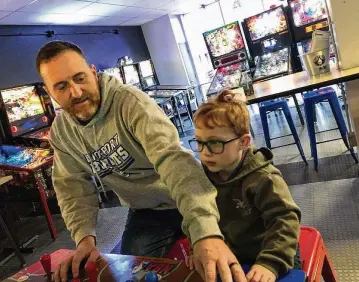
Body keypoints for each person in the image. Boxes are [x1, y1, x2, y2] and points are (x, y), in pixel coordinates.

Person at [35, 41, 247, 282]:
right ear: (49, 92)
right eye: (61, 86)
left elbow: (174, 162)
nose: (75, 92)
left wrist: (206, 233)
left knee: (234, 263)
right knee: (131, 277)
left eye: (80, 78)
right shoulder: (62, 133)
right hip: (147, 211)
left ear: (93, 73)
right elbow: (72, 187)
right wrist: (84, 239)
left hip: (188, 194)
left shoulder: (129, 103)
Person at [187, 89, 302, 282]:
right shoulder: (202, 176)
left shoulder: (264, 178)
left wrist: (270, 263)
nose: (205, 152)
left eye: (215, 143)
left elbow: (285, 219)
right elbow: (196, 214)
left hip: (272, 252)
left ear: (243, 142)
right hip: (232, 253)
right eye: (199, 142)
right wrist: (199, 243)